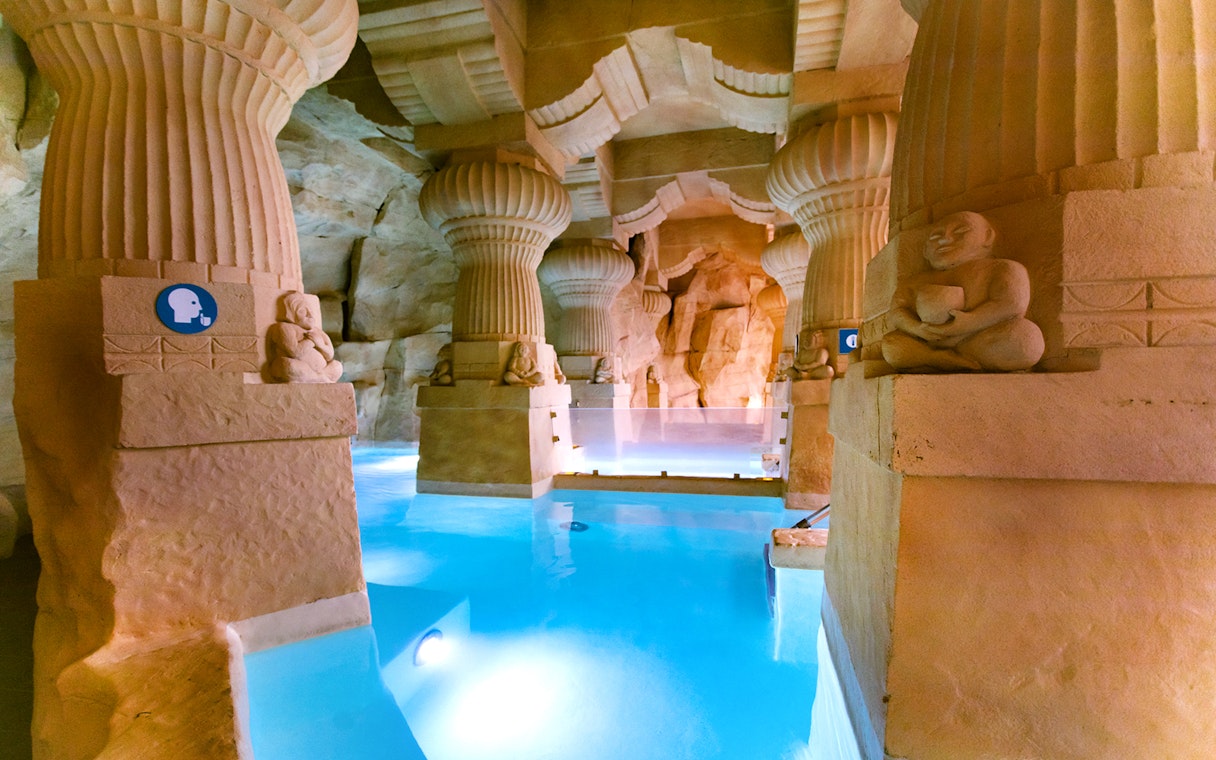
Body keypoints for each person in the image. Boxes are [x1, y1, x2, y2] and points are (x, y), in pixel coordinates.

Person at [881, 211, 1044, 372]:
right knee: (891, 345)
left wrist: (971, 321)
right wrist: (916, 328)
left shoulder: (1004, 268)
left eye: (960, 232)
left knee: (1027, 341)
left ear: (987, 237)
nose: (945, 239)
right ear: (925, 251)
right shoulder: (917, 281)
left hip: (977, 339)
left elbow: (1012, 303)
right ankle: (935, 358)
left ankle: (955, 358)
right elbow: (897, 310)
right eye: (935, 237)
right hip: (931, 341)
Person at [268, 292, 343, 383]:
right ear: (291, 315)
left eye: (310, 311)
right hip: (298, 368)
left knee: (337, 366)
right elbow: (294, 352)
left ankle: (316, 377)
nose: (309, 315)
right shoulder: (285, 327)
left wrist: (320, 345)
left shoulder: (317, 331)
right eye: (302, 311)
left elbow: (330, 355)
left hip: (320, 370)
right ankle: (320, 378)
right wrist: (311, 341)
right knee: (287, 366)